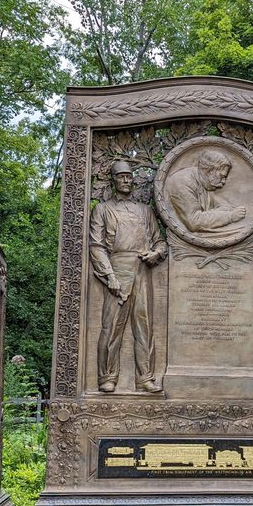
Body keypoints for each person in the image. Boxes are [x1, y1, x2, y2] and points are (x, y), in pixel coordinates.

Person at [88, 161, 167, 393]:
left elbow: (160, 242)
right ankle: (107, 377)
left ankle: (145, 378)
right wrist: (109, 275)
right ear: (113, 180)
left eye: (129, 177)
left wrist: (156, 254)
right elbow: (96, 246)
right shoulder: (102, 210)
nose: (126, 180)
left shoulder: (146, 210)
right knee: (111, 327)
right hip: (117, 269)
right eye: (121, 176)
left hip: (143, 270)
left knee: (144, 327)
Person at [165, 148, 247, 236]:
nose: (223, 182)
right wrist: (229, 216)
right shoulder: (182, 182)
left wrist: (223, 211)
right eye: (222, 176)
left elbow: (225, 206)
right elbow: (194, 222)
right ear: (210, 171)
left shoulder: (205, 182)